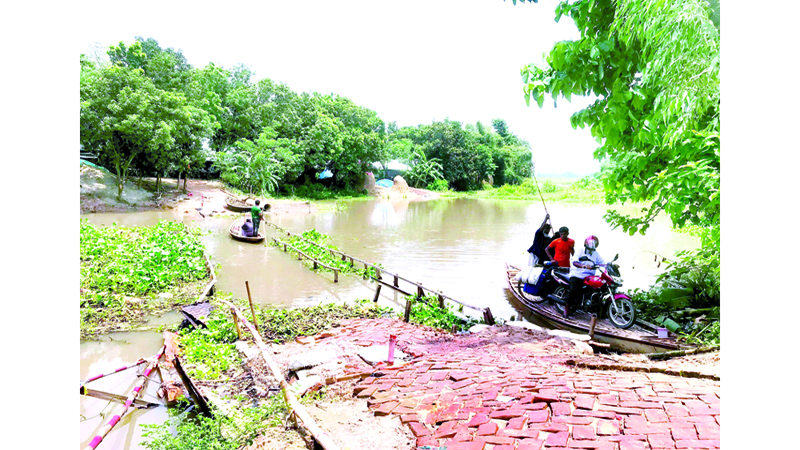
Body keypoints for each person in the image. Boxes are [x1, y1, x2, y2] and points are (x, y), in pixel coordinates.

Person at [564, 235, 607, 317]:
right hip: (577, 274)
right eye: (591, 243)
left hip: (589, 276)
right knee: (574, 290)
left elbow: (602, 261)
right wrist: (583, 266)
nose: (592, 245)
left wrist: (610, 264)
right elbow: (574, 262)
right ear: (586, 243)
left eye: (594, 243)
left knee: (598, 287)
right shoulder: (580, 250)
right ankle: (566, 308)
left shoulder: (595, 253)